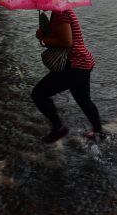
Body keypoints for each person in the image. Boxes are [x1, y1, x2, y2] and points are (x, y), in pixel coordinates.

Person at [32, 9, 105, 143]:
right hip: (82, 63)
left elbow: (67, 42)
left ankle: (59, 128)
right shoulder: (58, 12)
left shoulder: (61, 14)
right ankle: (99, 133)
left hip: (74, 65)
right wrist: (44, 35)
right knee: (84, 100)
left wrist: (44, 38)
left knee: (38, 94)